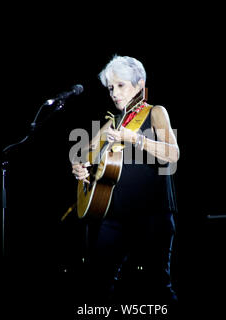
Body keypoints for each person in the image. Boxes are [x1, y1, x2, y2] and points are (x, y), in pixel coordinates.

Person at [71, 55, 179, 304]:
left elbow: (173, 154)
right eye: (110, 88)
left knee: (157, 285)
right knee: (98, 283)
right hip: (115, 215)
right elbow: (83, 154)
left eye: (120, 85)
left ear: (139, 84)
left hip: (153, 214)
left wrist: (136, 139)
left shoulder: (155, 112)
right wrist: (78, 168)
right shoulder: (112, 122)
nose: (114, 93)